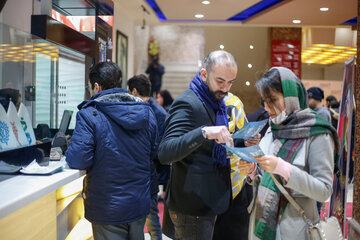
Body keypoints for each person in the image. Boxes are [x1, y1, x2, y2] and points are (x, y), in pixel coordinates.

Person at [238, 67, 339, 240]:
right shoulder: (273, 127)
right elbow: (265, 178)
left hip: (295, 229)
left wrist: (285, 169)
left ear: (291, 97)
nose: (267, 107)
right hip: (261, 225)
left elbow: (324, 190)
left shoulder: (317, 132)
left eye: (273, 100)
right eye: (264, 101)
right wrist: (252, 171)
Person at [66, 62, 158, 240]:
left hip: (107, 208)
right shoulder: (146, 112)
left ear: (97, 86)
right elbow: (153, 152)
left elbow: (78, 159)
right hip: (138, 203)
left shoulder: (89, 113)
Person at [158, 50, 244, 239]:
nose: (225, 89)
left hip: (208, 203)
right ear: (204, 74)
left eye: (230, 82)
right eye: (220, 81)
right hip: (192, 208)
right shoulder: (188, 103)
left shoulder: (216, 102)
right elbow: (165, 152)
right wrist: (203, 132)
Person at [213, 92, 260, 240]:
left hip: (236, 184)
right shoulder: (197, 101)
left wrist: (249, 140)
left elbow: (243, 137)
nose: (225, 86)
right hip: (207, 185)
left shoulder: (234, 103)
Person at [128, 74, 166, 240]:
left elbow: (157, 148)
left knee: (151, 216)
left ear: (134, 91)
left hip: (148, 172)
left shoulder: (152, 112)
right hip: (147, 171)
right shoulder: (157, 110)